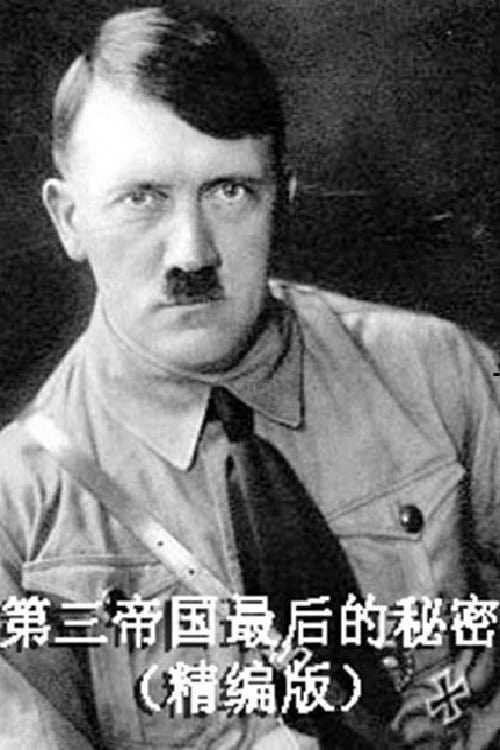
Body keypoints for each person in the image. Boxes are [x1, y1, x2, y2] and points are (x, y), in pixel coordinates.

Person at [1, 4, 500, 749]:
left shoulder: (436, 371)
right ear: (69, 219)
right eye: (141, 199)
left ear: (282, 200)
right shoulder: (18, 507)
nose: (191, 254)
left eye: (229, 191)